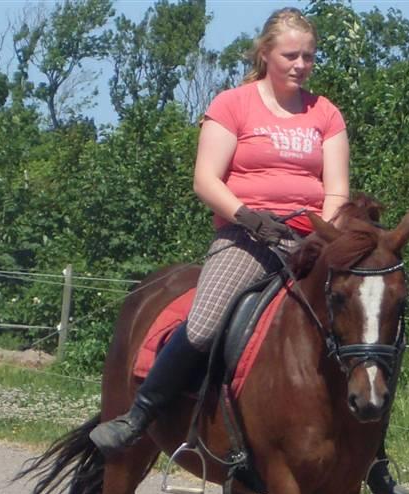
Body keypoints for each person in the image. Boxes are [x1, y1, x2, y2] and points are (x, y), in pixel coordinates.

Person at [90, 7, 350, 456]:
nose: (301, 65)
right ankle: (140, 415)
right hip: (247, 237)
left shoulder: (325, 114)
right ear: (266, 53)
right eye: (291, 55)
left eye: (309, 56)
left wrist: (324, 237)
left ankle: (372, 454)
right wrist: (249, 218)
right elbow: (205, 180)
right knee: (205, 324)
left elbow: (337, 190)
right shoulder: (232, 104)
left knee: (362, 327)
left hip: (310, 241)